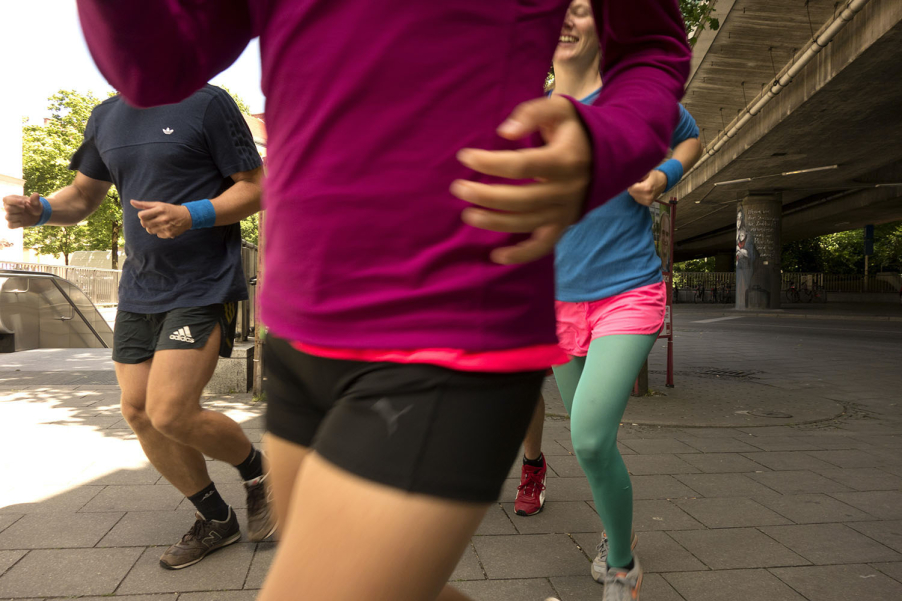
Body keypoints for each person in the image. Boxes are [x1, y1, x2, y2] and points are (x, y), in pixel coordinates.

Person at [74, 0, 691, 598]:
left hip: (448, 321)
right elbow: (156, 65)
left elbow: (654, 50)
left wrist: (606, 139)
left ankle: (621, 558)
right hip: (299, 325)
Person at [3, 84, 273, 570]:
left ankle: (257, 474)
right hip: (140, 289)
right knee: (138, 410)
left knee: (171, 411)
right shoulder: (106, 115)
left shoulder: (206, 103)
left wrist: (193, 214)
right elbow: (83, 197)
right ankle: (215, 518)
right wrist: (40, 211)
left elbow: (256, 186)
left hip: (202, 283)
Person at [516, 3, 702, 600]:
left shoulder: (636, 97)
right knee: (590, 444)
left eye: (583, 8)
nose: (566, 18)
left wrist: (661, 177)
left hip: (628, 292)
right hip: (555, 304)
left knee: (592, 437)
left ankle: (622, 567)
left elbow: (690, 136)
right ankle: (614, 533)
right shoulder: (529, 114)